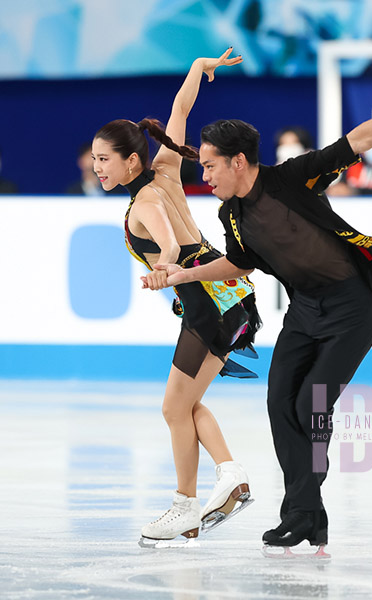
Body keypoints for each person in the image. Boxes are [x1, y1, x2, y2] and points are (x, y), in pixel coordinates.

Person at [145, 72, 372, 554]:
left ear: (238, 161)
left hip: (351, 311)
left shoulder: (290, 178)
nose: (203, 177)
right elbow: (240, 263)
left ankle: (303, 514)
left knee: (313, 405)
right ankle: (308, 516)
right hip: (304, 314)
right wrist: (181, 275)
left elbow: (354, 143)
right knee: (279, 401)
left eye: (209, 166)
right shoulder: (231, 216)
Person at [92, 49, 261, 547]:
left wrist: (165, 268)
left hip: (210, 299)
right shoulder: (164, 169)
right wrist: (196, 71)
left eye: (104, 159)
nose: (96, 167)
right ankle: (206, 490)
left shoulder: (144, 198)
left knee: (174, 407)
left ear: (131, 160)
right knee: (180, 406)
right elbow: (180, 113)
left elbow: (167, 241)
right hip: (227, 295)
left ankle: (202, 495)